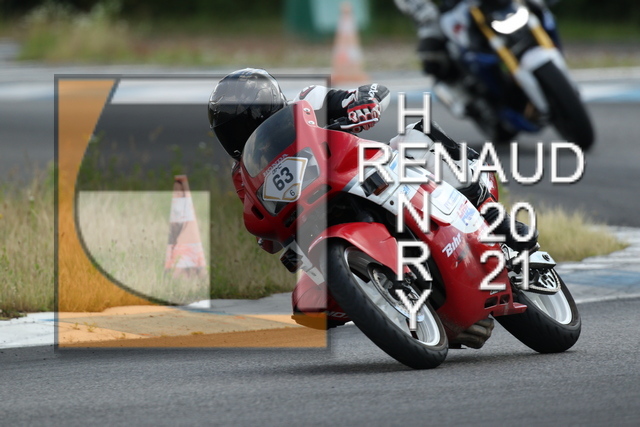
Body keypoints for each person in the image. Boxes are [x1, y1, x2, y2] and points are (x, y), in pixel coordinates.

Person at [207, 68, 537, 337]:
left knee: (416, 135)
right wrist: (272, 237)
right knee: (309, 308)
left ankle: (494, 217)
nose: (241, 134)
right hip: (319, 221)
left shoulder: (308, 103)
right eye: (230, 130)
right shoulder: (243, 175)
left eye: (245, 121)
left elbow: (371, 92)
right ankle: (415, 308)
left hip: (364, 172)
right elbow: (263, 221)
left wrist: (364, 102)